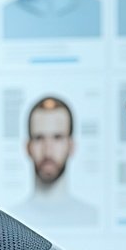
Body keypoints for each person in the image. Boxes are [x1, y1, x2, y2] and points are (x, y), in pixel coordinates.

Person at [12, 96, 98, 227]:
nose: (48, 151)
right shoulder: (12, 219)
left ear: (71, 146)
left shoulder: (93, 218)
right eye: (39, 138)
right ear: (27, 147)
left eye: (57, 137)